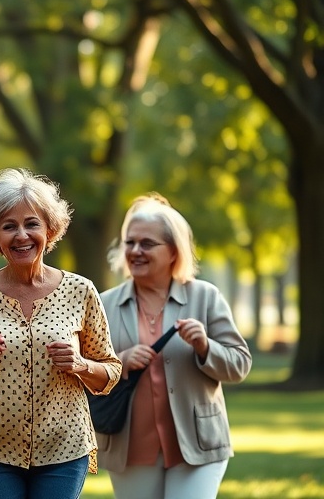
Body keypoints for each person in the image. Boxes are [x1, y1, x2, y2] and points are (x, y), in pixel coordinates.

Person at [0, 168, 122, 499]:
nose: (21, 235)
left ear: (49, 230)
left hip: (64, 447)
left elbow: (109, 373)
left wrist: (80, 364)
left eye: (31, 224)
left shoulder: (81, 291)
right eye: (9, 226)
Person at [98, 194, 252, 498]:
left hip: (198, 446)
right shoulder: (104, 304)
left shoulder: (205, 297)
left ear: (173, 251)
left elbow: (239, 364)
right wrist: (121, 361)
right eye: (130, 243)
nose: (135, 251)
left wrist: (205, 347)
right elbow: (82, 373)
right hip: (130, 450)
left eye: (147, 244)